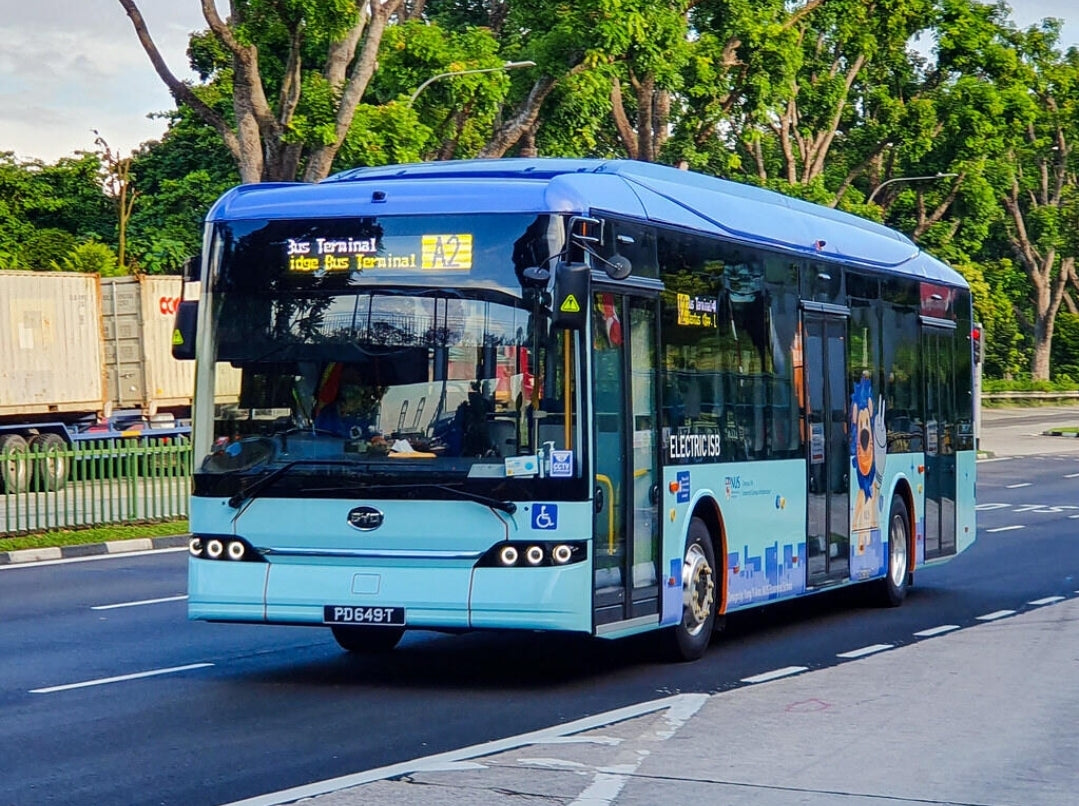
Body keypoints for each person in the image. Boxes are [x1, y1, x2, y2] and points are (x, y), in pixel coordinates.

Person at [313, 363, 382, 439]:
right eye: (347, 383)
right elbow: (317, 440)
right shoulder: (327, 414)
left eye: (355, 384)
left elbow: (374, 437)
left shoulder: (367, 415)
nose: (350, 391)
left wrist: (377, 440)